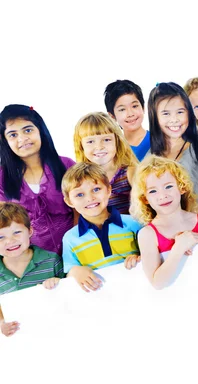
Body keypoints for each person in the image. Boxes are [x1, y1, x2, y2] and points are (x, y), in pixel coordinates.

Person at [0, 104, 75, 254]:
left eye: (28, 130)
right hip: (31, 262)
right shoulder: (1, 179)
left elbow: (81, 210)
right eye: (13, 135)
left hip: (75, 252)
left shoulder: (66, 165)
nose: (22, 139)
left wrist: (75, 244)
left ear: (40, 130)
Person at [131, 155, 198, 289]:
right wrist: (179, 248)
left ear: (181, 187)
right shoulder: (148, 234)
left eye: (168, 187)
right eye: (153, 191)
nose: (162, 196)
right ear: (145, 198)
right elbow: (157, 283)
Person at [61, 163, 141, 293]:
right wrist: (75, 271)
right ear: (69, 201)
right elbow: (70, 272)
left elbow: (153, 254)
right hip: (100, 298)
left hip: (136, 289)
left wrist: (139, 257)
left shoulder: (133, 224)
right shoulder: (70, 238)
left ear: (109, 190)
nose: (90, 198)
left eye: (96, 189)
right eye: (80, 195)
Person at [148, 82, 198, 214]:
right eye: (166, 114)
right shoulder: (151, 158)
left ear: (189, 113)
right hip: (180, 231)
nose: (174, 120)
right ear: (155, 117)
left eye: (180, 112)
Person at [0, 202, 63, 337]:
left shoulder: (51, 261)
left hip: (57, 330)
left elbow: (70, 294)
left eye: (16, 232)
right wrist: (1, 324)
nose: (10, 241)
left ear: (30, 231)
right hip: (24, 341)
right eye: (1, 237)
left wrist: (58, 283)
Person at [73, 112, 138, 215]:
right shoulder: (79, 180)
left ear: (117, 141)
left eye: (106, 139)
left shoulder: (131, 173)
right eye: (90, 142)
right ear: (81, 146)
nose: (99, 147)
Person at [104, 79, 150, 161]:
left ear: (143, 107)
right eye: (122, 109)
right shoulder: (114, 150)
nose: (130, 114)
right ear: (112, 116)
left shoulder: (159, 140)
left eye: (135, 106)